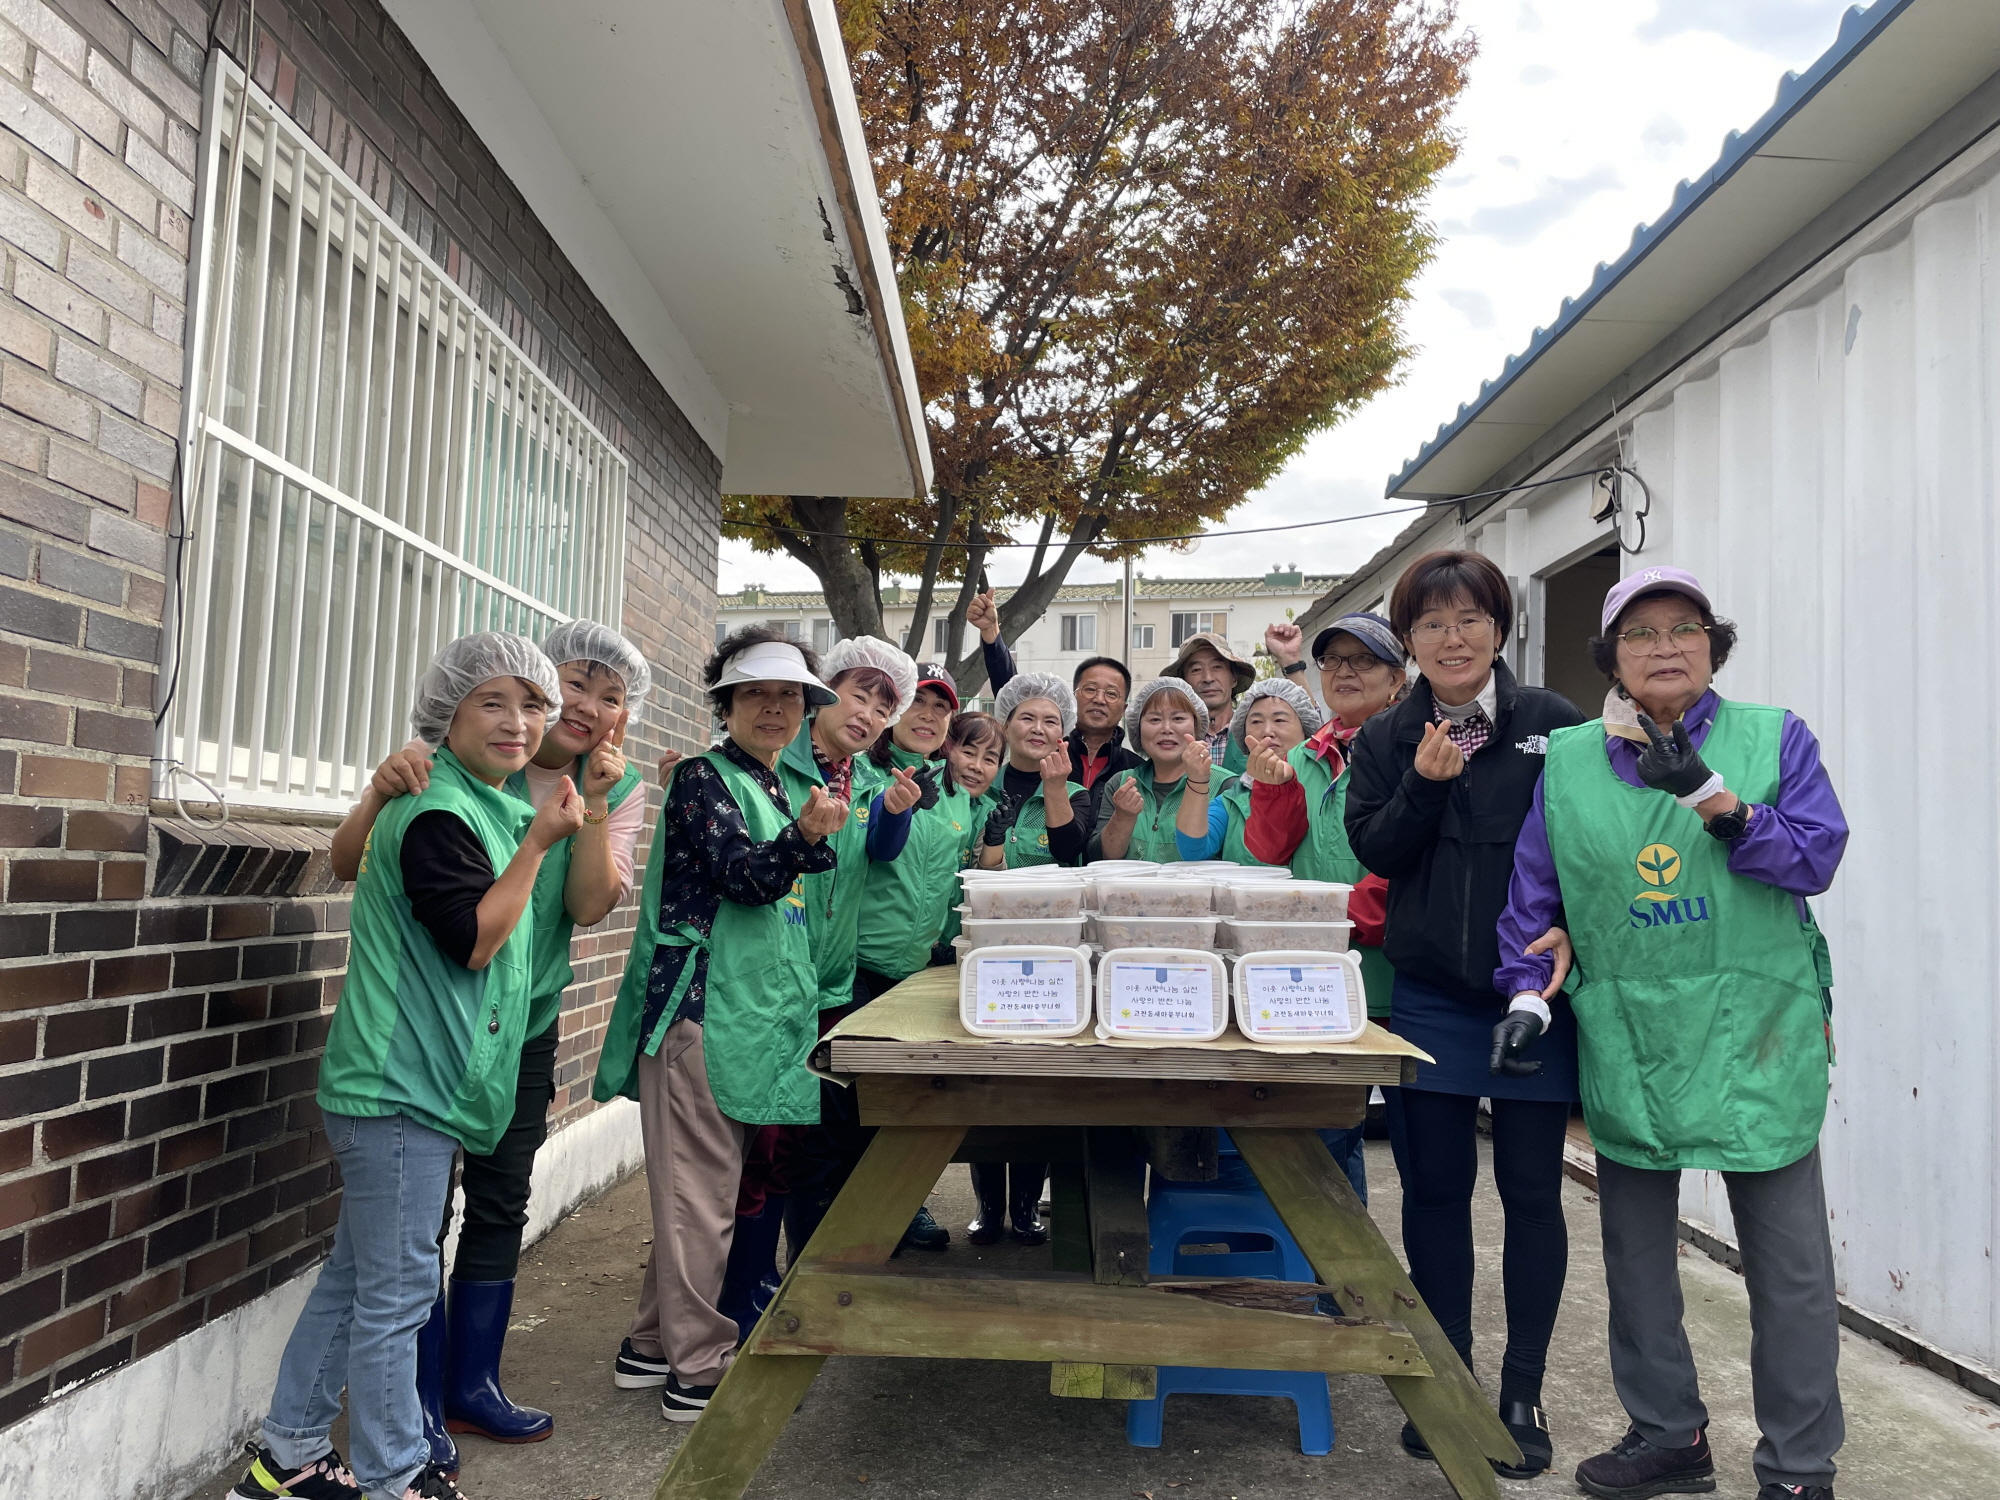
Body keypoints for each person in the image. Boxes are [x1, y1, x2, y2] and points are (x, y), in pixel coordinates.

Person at [1494, 569, 1848, 1500]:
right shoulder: (1567, 760)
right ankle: (1668, 1435)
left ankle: (1801, 1468)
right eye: (1640, 633)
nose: (1664, 646)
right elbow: (1536, 895)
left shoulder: (1774, 737)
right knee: (1638, 1260)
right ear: (1610, 657)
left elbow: (1815, 855)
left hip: (1756, 1034)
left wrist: (1718, 803)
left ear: (1713, 646)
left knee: (1791, 1272)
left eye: (1685, 628)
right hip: (1635, 1032)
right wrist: (1528, 996)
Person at [232, 635, 580, 1500]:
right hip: (398, 1092)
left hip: (416, 1088)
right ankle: (397, 1480)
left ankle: (287, 1457)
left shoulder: (479, 801)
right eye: (493, 702)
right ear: (448, 713)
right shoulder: (441, 811)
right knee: (397, 1298)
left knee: (357, 1281)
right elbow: (472, 941)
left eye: (533, 704)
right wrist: (539, 846)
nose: (517, 721)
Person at [328, 623, 652, 1469]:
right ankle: (418, 1404)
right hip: (434, 1032)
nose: (584, 706)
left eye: (610, 697)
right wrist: (374, 790)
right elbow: (352, 862)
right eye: (575, 684)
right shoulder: (464, 765)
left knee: (502, 1197)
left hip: (527, 1019)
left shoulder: (607, 786)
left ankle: (471, 1385)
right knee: (416, 1215)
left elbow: (587, 907)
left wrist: (593, 808)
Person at [1343, 551, 1584, 1477]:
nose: (1453, 636)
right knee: (1436, 1192)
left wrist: (1567, 937)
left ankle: (1522, 1392)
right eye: (1432, 622)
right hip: (1432, 1001)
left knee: (1532, 1197)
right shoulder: (1386, 736)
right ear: (1409, 639)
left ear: (1499, 629)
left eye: (1471, 618)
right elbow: (1377, 848)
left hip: (1532, 1001)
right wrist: (1426, 782)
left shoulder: (1552, 727)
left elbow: (1588, 852)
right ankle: (1449, 1376)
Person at [592, 628, 850, 1422]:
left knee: (697, 1193)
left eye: (790, 696)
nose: (775, 708)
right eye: (755, 695)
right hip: (697, 1012)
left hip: (745, 1018)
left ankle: (648, 1347)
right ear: (725, 705)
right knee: (699, 1200)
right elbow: (743, 879)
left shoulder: (768, 781)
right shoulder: (705, 777)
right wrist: (805, 837)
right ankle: (697, 1368)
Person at [967, 588, 1142, 827]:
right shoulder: (1048, 751)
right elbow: (1012, 689)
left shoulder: (1135, 769)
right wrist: (991, 634)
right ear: (1071, 699)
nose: (1099, 699)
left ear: (1124, 708)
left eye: (1111, 694)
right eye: (1090, 689)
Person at [1173, 676, 1323, 866]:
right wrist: (1197, 780)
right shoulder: (1234, 799)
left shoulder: (1327, 789)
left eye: (1280, 720)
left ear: (1306, 728)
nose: (1267, 731)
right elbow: (1193, 851)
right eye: (1256, 722)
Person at [977, 673, 1091, 870]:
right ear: (1005, 726)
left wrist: (1055, 789)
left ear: (1062, 735)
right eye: (1027, 718)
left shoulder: (1075, 795)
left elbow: (1067, 852)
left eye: (1050, 722)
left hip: (1050, 901)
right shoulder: (981, 786)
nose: (1038, 729)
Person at [1089, 677, 1210, 861]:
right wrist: (1123, 817)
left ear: (1196, 724)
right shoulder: (1122, 784)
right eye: (1154, 719)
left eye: (1178, 718)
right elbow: (1102, 859)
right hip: (1128, 890)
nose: (1166, 728)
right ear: (1137, 728)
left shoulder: (1223, 786)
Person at [1162, 629, 1258, 774]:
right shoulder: (1170, 736)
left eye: (1217, 667)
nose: (1207, 678)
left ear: (1234, 678)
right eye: (1196, 669)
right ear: (1183, 683)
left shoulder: (1255, 730)